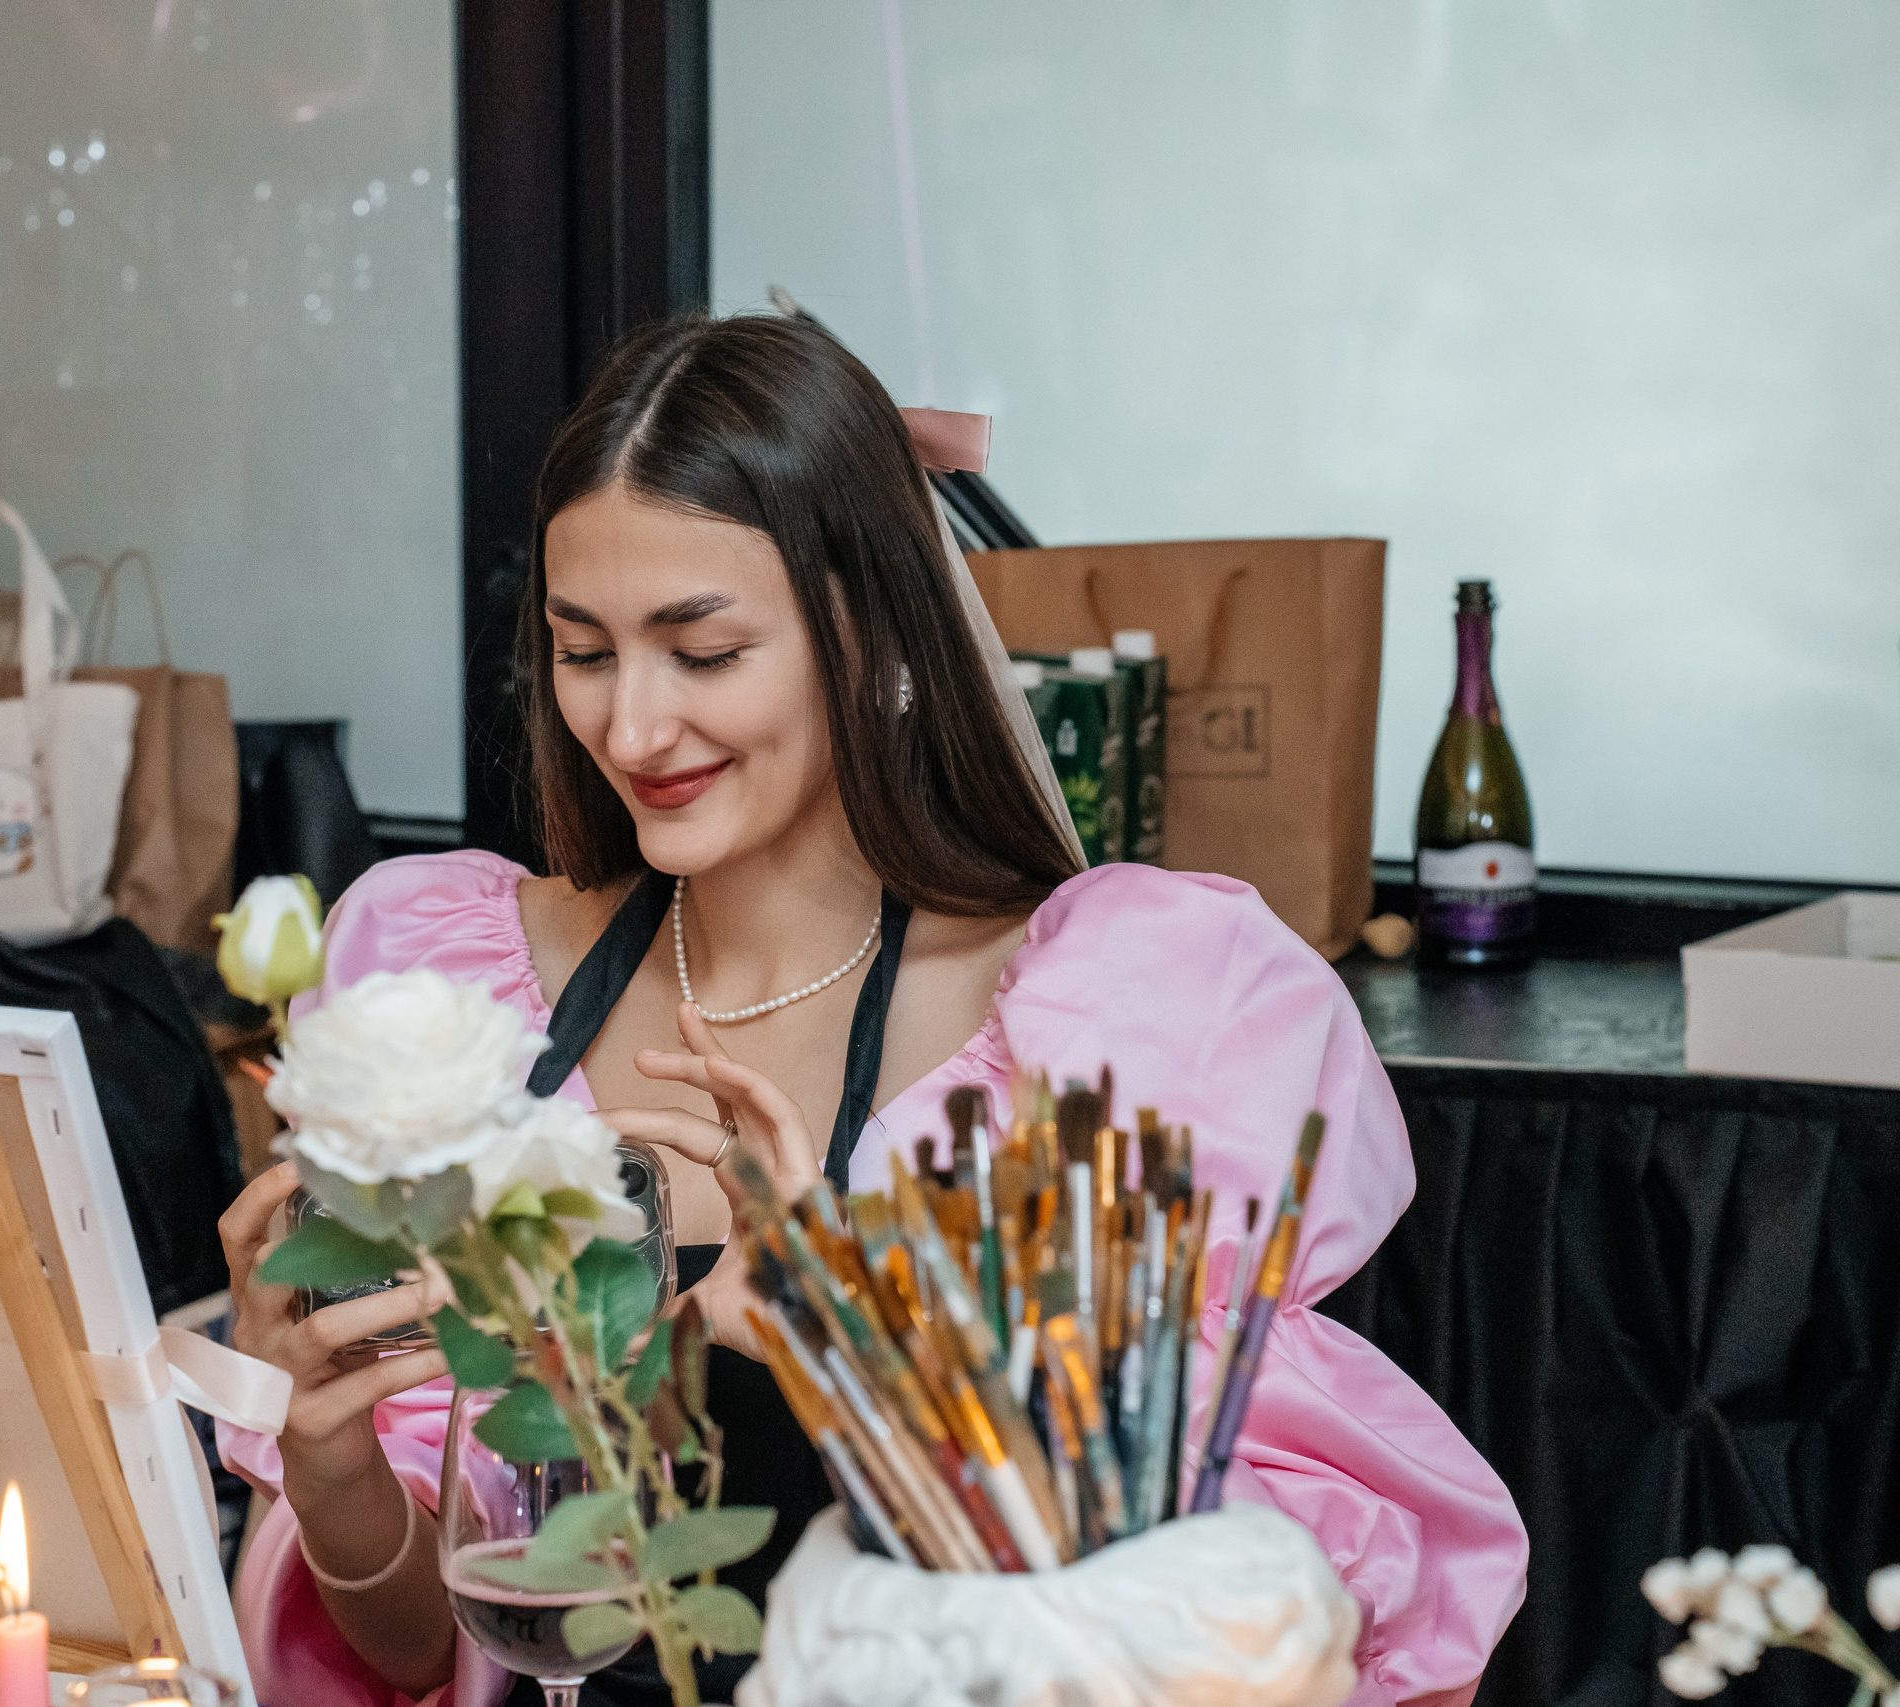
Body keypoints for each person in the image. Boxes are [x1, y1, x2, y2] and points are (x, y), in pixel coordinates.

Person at [214, 313, 1528, 1707]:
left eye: (703, 652)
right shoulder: (449, 991)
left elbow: (1207, 1638)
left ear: (874, 637)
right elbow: (430, 1653)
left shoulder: (1126, 1030)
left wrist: (854, 1358)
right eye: (583, 652)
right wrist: (327, 1455)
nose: (632, 729)